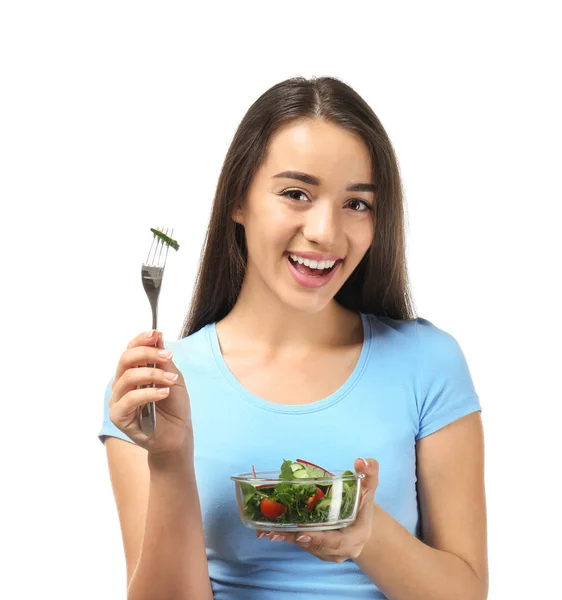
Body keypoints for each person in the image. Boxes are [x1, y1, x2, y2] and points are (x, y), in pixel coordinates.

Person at [98, 76, 488, 600]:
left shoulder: (429, 363)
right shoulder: (157, 389)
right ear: (239, 200)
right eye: (296, 194)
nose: (326, 232)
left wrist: (366, 534)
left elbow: (466, 592)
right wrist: (169, 458)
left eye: (357, 204)